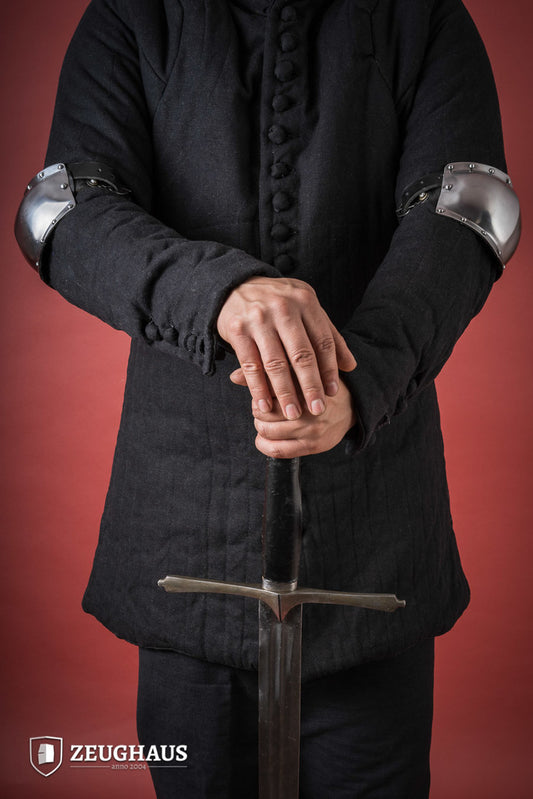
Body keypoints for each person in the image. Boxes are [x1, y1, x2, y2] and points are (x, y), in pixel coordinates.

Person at [15, 0, 520, 797]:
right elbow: (61, 208)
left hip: (374, 538)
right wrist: (214, 292)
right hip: (181, 534)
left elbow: (470, 206)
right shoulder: (130, 14)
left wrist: (362, 375)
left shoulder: (422, 15)